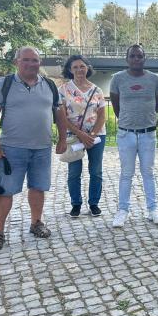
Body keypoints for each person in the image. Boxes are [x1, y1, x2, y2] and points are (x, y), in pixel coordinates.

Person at [0, 47, 67, 252]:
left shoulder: (50, 85)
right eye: (26, 60)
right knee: (6, 191)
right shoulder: (3, 84)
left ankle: (36, 223)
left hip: (42, 149)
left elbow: (59, 114)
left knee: (38, 187)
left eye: (35, 60)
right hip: (11, 149)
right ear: (17, 62)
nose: (31, 64)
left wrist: (62, 138)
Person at [109, 44, 158, 228]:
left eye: (139, 56)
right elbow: (117, 107)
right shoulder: (117, 79)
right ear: (127, 59)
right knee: (126, 174)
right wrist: (129, 119)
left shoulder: (155, 79)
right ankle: (122, 210)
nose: (136, 59)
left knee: (148, 172)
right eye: (132, 56)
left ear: (144, 58)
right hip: (126, 134)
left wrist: (144, 118)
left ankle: (153, 209)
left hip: (148, 134)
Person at [59, 55, 106, 218]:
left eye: (82, 66)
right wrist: (81, 134)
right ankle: (76, 204)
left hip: (96, 136)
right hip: (73, 135)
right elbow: (62, 117)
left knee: (96, 171)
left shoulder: (97, 90)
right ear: (70, 70)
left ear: (87, 68)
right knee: (74, 172)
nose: (79, 70)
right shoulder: (64, 89)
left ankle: (94, 203)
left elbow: (101, 115)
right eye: (75, 67)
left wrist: (91, 135)